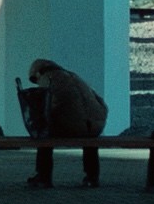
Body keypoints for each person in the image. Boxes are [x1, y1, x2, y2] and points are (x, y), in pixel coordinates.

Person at [26, 58, 109, 188]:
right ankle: (92, 177)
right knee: (89, 140)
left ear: (37, 73)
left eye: (35, 80)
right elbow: (101, 103)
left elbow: (47, 108)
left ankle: (43, 177)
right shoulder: (74, 76)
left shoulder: (47, 79)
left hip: (75, 127)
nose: (37, 83)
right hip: (95, 126)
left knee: (44, 137)